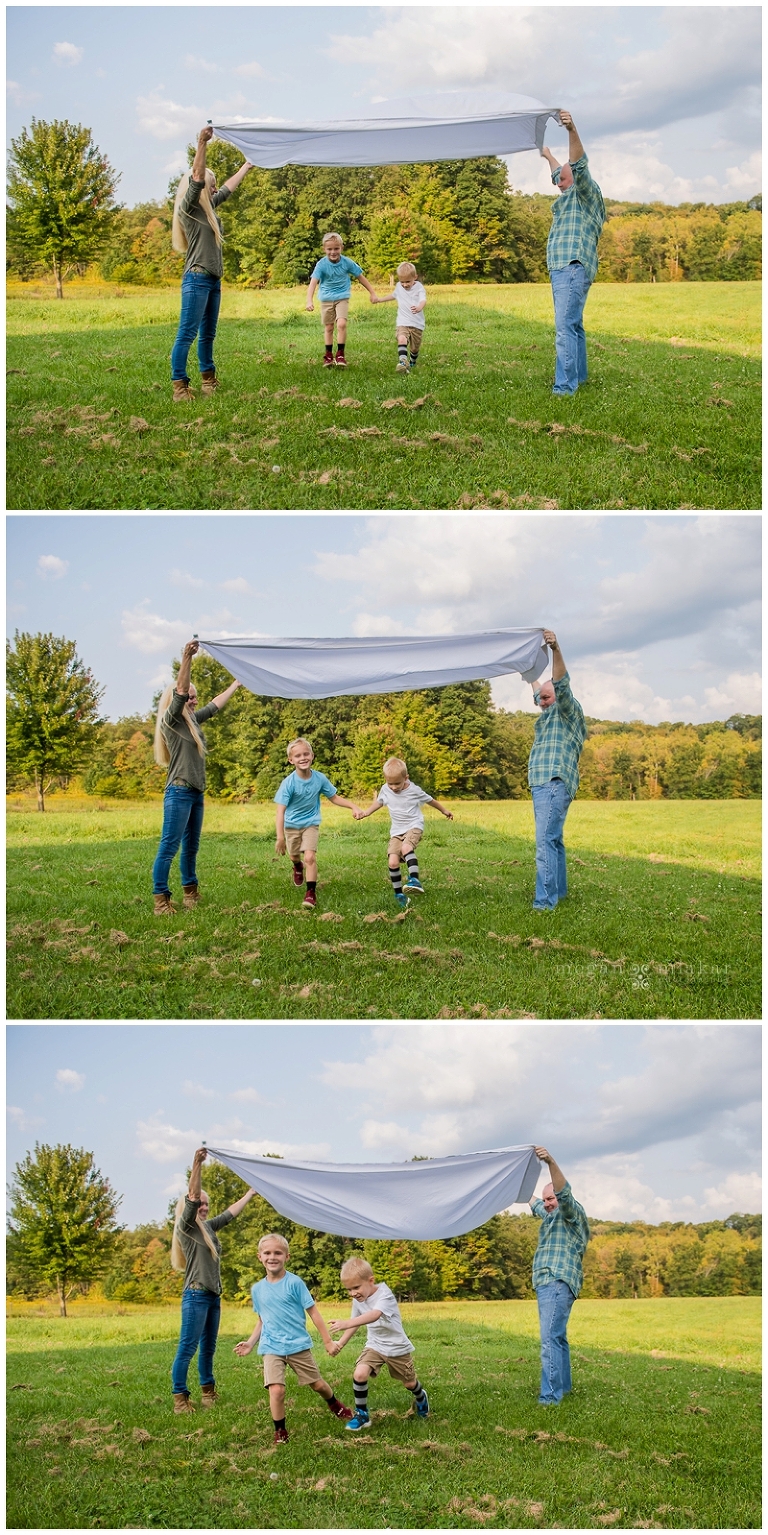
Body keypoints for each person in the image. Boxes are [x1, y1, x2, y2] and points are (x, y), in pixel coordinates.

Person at [233, 1232, 352, 1443]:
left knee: (317, 1384)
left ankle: (334, 1403)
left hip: (297, 1346)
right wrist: (251, 1343)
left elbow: (314, 1313)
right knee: (276, 1390)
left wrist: (327, 1342)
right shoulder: (258, 1289)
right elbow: (262, 1320)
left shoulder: (295, 1283)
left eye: (278, 1253)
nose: (272, 1257)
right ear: (259, 1256)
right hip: (271, 1347)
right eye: (267, 1253)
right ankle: (280, 1431)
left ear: (287, 1256)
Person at [152, 639, 240, 914]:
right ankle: (161, 900)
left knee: (191, 847)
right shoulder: (173, 721)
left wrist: (238, 682)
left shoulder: (192, 720)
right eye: (189, 696)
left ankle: (190, 893)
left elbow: (214, 705)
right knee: (169, 847)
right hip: (179, 792)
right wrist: (186, 658)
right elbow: (180, 690)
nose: (193, 699)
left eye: (195, 695)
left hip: (195, 793)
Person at [170, 1146, 256, 1414]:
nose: (204, 1207)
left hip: (212, 1296)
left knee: (208, 1348)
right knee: (188, 1347)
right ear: (189, 1206)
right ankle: (180, 1399)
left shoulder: (207, 1228)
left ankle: (209, 1393)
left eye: (207, 1204)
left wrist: (250, 1193)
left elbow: (230, 1213)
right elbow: (193, 1195)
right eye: (200, 1204)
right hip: (196, 1295)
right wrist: (197, 1164)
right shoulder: (186, 1228)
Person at [170, 126, 254, 402]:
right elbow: (197, 177)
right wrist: (202, 143)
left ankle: (209, 381)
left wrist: (248, 165)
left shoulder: (209, 208)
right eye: (212, 182)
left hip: (212, 281)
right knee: (187, 334)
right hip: (196, 279)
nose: (215, 187)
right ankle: (180, 387)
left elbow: (228, 188)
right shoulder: (189, 208)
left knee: (208, 335)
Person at [541, 110, 606, 397]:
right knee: (574, 325)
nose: (558, 180)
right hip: (566, 267)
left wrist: (572, 129)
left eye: (562, 177)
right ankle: (578, 376)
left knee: (564, 327)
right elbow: (561, 169)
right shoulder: (567, 190)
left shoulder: (585, 192)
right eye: (557, 179)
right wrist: (547, 154)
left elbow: (577, 163)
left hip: (572, 266)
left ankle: (565, 387)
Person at [327, 1255, 430, 1431]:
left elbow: (374, 1315)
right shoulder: (357, 1300)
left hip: (397, 1348)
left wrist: (344, 1323)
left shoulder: (385, 1294)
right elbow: (357, 1321)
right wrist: (340, 1343)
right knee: (359, 1374)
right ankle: (362, 1414)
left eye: (356, 1287)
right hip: (375, 1345)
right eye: (349, 1289)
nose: (353, 1293)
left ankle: (421, 1397)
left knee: (409, 1384)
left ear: (370, 1280)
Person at [527, 630, 586, 912]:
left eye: (547, 697)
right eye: (541, 699)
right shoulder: (548, 712)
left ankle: (544, 903)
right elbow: (538, 685)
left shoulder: (567, 710)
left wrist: (556, 649)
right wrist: (525, 664)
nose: (543, 700)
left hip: (553, 782)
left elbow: (559, 683)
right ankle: (558, 893)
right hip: (544, 783)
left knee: (545, 842)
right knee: (555, 840)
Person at [529, 1146, 590, 1406]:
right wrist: (514, 1181)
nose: (548, 1203)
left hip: (556, 1280)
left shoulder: (571, 1214)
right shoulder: (551, 1217)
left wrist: (550, 1161)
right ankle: (562, 1388)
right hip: (549, 1281)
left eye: (551, 1199)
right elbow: (534, 1205)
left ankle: (550, 1398)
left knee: (549, 1339)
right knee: (558, 1337)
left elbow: (564, 1194)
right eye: (546, 1200)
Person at [353, 756, 453, 908]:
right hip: (396, 831)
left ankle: (414, 879)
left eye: (397, 783)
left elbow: (430, 800)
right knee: (392, 862)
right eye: (390, 783)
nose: (393, 787)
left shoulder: (414, 790)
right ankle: (399, 894)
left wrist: (444, 810)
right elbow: (378, 803)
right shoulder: (385, 789)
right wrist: (366, 813)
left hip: (414, 825)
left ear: (406, 778)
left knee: (406, 848)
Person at [274, 738, 360, 910]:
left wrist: (353, 805)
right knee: (294, 856)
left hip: (311, 824)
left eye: (306, 754)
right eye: (298, 755)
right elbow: (280, 811)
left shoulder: (319, 778)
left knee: (310, 857)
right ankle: (297, 866)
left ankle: (310, 893)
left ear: (312, 756)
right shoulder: (288, 783)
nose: (303, 758)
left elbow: (334, 797)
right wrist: (280, 837)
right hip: (291, 825)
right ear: (291, 760)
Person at [305, 232, 379, 367]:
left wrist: (372, 292)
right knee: (329, 327)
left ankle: (340, 354)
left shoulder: (347, 262)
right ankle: (328, 355)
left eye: (336, 248)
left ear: (341, 248)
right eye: (329, 249)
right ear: (324, 249)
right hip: (326, 299)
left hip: (342, 297)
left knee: (341, 324)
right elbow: (313, 282)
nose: (333, 252)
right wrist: (309, 300)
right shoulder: (321, 265)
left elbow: (360, 277)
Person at [372, 261, 427, 371]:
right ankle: (402, 362)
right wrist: (379, 300)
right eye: (402, 282)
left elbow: (423, 300)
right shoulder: (399, 286)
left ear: (415, 277)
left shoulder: (419, 287)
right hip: (403, 322)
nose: (405, 284)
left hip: (417, 324)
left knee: (414, 348)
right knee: (401, 339)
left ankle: (412, 361)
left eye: (408, 281)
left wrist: (419, 307)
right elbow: (393, 295)